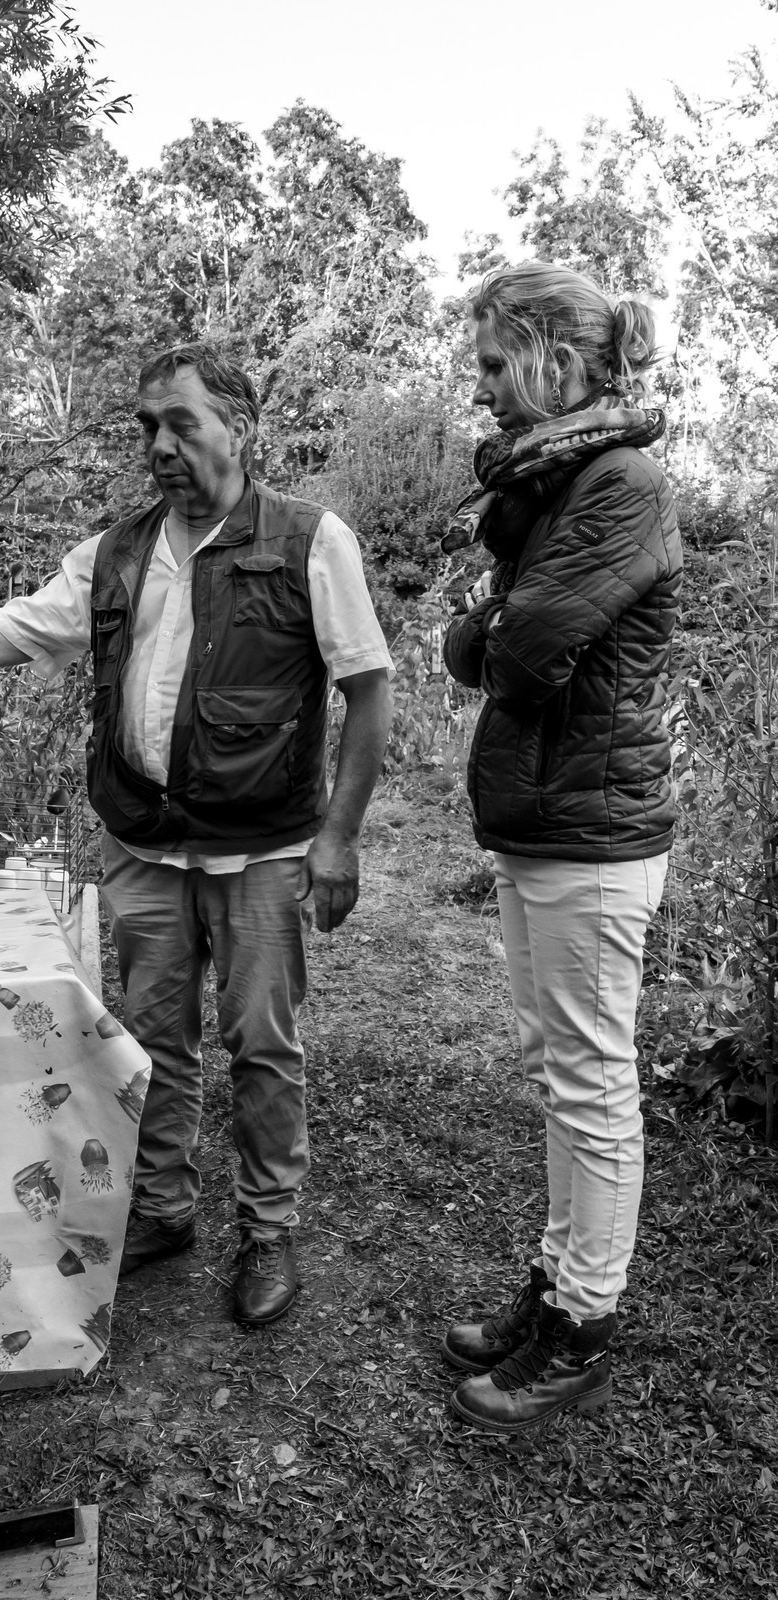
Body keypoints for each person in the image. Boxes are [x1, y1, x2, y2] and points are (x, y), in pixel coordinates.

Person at [0, 343, 394, 1329]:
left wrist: (339, 837)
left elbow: (367, 688)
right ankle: (163, 1208)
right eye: (146, 425)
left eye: (180, 422)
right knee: (154, 1040)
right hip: (144, 846)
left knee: (262, 1045)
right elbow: (8, 630)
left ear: (242, 427)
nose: (158, 444)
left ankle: (268, 1227)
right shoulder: (114, 553)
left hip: (263, 847)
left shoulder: (311, 542)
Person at [440, 261, 680, 1434]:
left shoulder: (621, 483)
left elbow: (523, 647)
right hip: (549, 817)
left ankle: (583, 1321)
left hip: (593, 829)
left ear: (558, 362)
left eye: (494, 363)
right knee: (557, 1070)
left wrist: (486, 626)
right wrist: (487, 628)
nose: (481, 386)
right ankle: (553, 1287)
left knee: (591, 1083)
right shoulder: (561, 484)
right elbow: (489, 640)